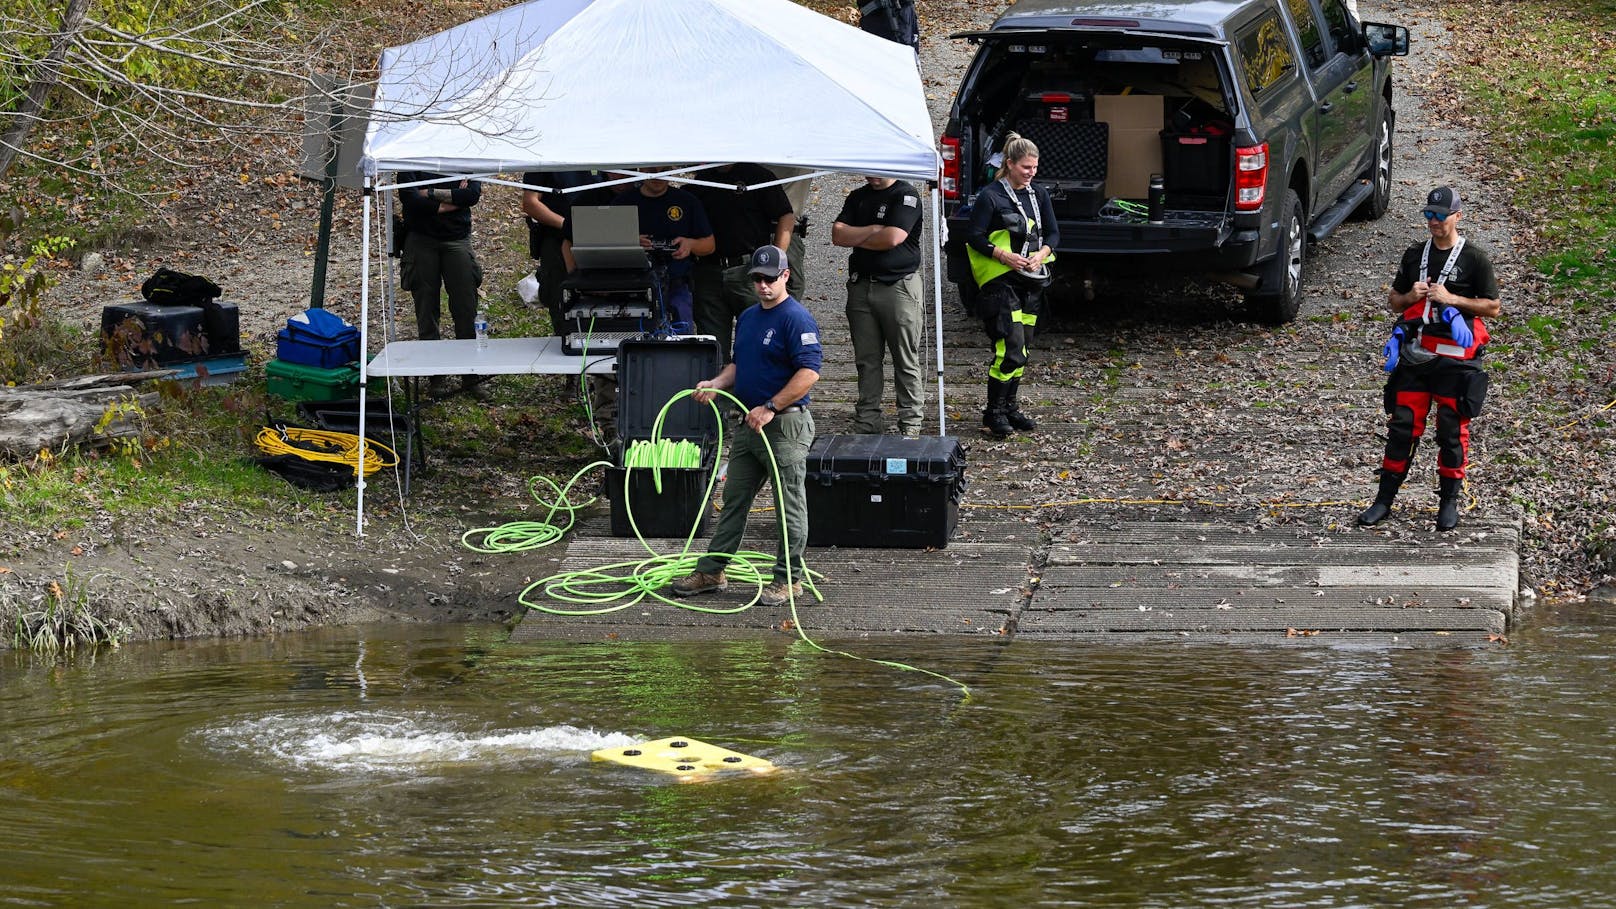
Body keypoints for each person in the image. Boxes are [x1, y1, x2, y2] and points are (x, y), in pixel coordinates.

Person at [671, 245, 822, 607]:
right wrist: (716, 383)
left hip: (784, 426)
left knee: (789, 505)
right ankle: (713, 570)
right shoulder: (750, 317)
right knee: (734, 498)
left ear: (785, 276)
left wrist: (771, 406)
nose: (763, 285)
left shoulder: (796, 318)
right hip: (748, 426)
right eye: (757, 278)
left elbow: (809, 372)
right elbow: (739, 365)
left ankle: (789, 579)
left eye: (770, 278)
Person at [1358, 185, 1501, 532]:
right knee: (1402, 426)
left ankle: (1449, 501)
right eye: (1428, 215)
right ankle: (1384, 500)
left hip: (1458, 360)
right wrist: (1410, 296)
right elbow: (1395, 301)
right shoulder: (1414, 254)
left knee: (1452, 432)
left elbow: (1493, 307)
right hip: (1418, 356)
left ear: (1457, 216)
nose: (1433, 222)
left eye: (1439, 216)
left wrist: (1454, 300)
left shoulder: (1475, 259)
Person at [963, 132, 1058, 438]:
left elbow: (1054, 235)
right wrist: (1004, 256)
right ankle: (993, 412)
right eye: (1026, 167)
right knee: (1010, 348)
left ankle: (1010, 407)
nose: (1031, 173)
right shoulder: (991, 196)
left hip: (1030, 281)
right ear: (1009, 164)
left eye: (1035, 167)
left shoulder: (1038, 194)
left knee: (1023, 349)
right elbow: (973, 237)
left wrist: (1041, 255)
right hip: (999, 281)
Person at [832, 174, 926, 436]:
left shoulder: (906, 196)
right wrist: (874, 230)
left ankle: (910, 423)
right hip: (861, 286)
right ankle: (867, 420)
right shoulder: (858, 196)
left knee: (905, 358)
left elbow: (893, 238)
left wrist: (860, 235)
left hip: (898, 287)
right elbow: (837, 235)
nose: (872, 174)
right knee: (866, 359)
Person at [566, 172, 714, 331]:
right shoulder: (623, 202)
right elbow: (603, 246)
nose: (658, 176)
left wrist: (690, 244)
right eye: (653, 170)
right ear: (641, 170)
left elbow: (709, 245)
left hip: (676, 286)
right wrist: (630, 242)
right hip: (632, 289)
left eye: (663, 170)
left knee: (681, 342)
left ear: (671, 170)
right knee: (633, 343)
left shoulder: (686, 201)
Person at [689, 163, 796, 363]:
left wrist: (777, 258)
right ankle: (718, 394)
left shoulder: (758, 176)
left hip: (750, 270)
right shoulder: (700, 180)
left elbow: (786, 215)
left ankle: (755, 394)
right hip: (708, 270)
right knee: (713, 350)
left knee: (757, 342)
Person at [398, 171, 484, 397]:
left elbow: (472, 195)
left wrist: (431, 193)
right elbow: (412, 201)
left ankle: (470, 375)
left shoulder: (461, 156)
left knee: (466, 308)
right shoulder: (409, 161)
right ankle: (435, 375)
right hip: (420, 240)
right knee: (426, 310)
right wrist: (450, 200)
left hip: (457, 238)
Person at [519, 170, 612, 333]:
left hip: (602, 239)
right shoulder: (546, 158)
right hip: (557, 240)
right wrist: (570, 227)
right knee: (563, 307)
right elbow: (530, 203)